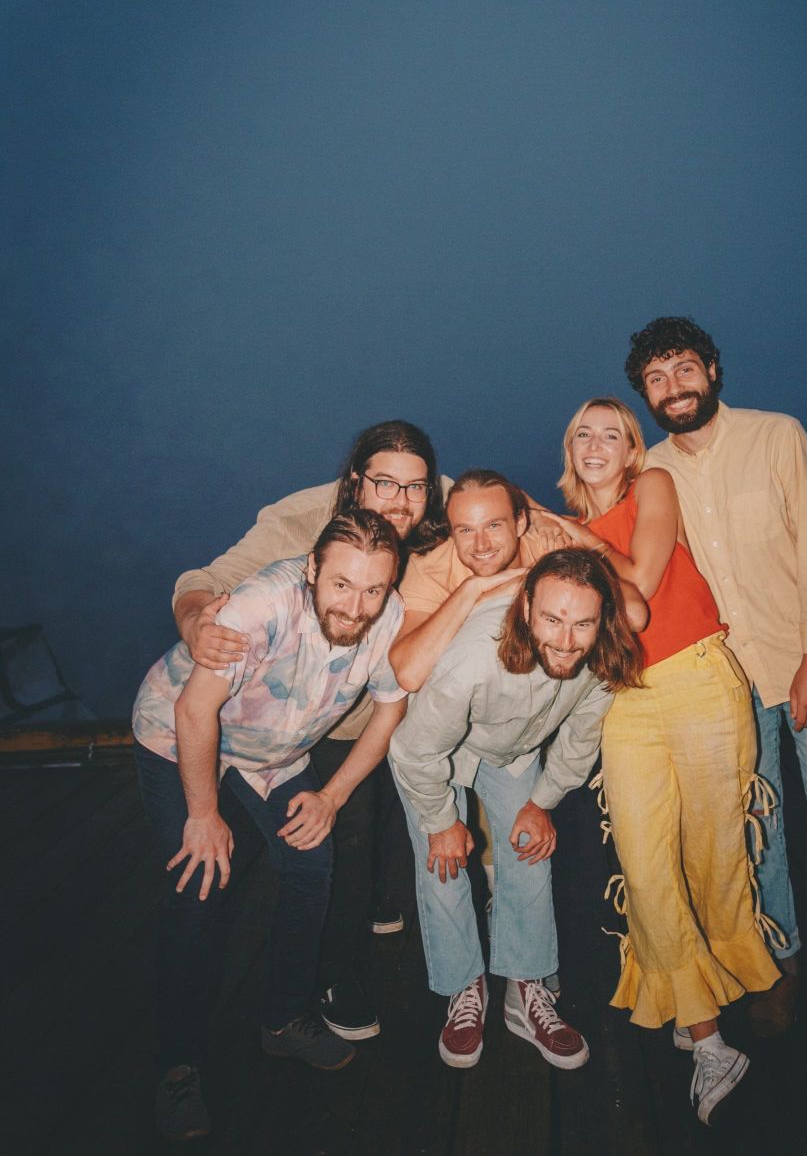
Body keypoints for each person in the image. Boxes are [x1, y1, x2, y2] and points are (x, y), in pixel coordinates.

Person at [626, 315, 807, 1046]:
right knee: (757, 826)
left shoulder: (778, 436)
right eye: (656, 378)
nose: (673, 387)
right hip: (726, 679)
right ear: (646, 395)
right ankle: (780, 963)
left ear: (712, 371)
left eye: (684, 369)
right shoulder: (651, 475)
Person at [170, 420, 450, 1042]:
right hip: (304, 720)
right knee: (334, 843)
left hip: (387, 706)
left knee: (377, 830)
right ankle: (332, 977)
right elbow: (205, 580)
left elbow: (506, 508)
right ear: (355, 481)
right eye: (384, 483)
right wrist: (194, 624)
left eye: (416, 487)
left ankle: (371, 915)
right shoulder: (300, 523)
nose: (402, 500)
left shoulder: (436, 504)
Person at [133, 511, 406, 1142]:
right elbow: (194, 710)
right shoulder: (262, 604)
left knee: (312, 866)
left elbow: (390, 711)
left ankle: (282, 1020)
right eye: (341, 584)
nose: (356, 606)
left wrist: (331, 797)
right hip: (180, 735)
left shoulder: (386, 616)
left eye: (373, 589)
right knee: (200, 884)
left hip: (271, 751)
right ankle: (178, 1066)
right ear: (312, 569)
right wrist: (204, 815)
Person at [546, 397, 778, 1125]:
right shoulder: (564, 532)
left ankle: (709, 989)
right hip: (625, 698)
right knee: (644, 866)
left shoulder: (652, 486)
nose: (595, 444)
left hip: (698, 678)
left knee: (714, 853)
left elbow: (640, 581)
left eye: (610, 434)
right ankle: (709, 1041)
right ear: (569, 449)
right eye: (582, 434)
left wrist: (575, 537)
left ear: (630, 449)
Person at [389, 549, 644, 1072]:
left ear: (603, 620)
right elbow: (412, 751)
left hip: (513, 749)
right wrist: (442, 823)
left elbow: (579, 740)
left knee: (531, 852)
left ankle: (525, 985)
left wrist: (540, 802)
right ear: (526, 608)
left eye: (582, 624)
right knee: (444, 865)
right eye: (552, 619)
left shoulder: (603, 656)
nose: (566, 641)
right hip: (436, 749)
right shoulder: (473, 660)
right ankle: (464, 987)